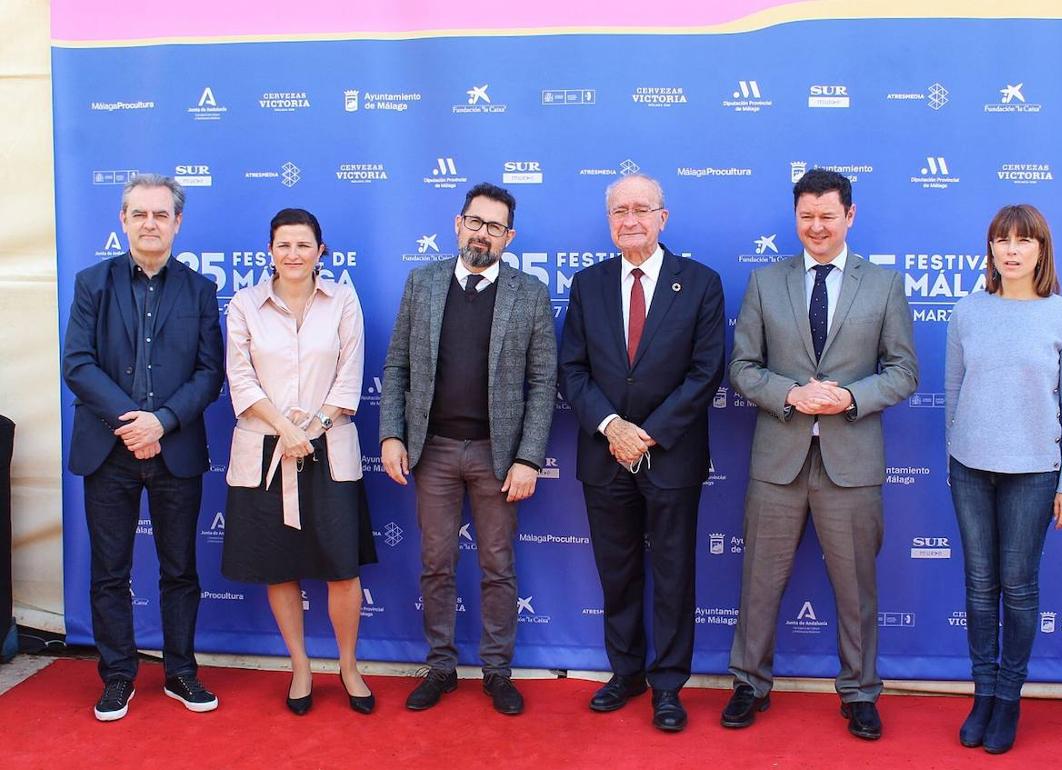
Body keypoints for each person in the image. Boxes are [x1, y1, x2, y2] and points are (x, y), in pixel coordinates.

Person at [724, 169, 917, 739]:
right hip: (778, 461)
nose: (816, 226)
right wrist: (790, 393)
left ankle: (859, 692)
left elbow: (905, 371)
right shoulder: (765, 282)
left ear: (849, 216)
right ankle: (748, 685)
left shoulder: (883, 285)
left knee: (857, 587)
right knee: (759, 581)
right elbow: (741, 368)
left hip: (850, 462)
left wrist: (849, 398)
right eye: (806, 216)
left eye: (827, 216)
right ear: (796, 217)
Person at [380, 183, 556, 716]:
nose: (483, 234)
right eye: (475, 222)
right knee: (436, 563)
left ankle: (498, 672)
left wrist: (528, 457)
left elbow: (544, 381)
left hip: (497, 457)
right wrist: (391, 433)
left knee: (498, 566)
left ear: (509, 237)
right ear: (458, 225)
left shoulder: (529, 294)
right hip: (431, 451)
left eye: (495, 226)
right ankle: (441, 667)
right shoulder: (423, 283)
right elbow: (398, 367)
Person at [558, 174, 726, 733]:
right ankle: (625, 671)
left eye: (640, 209)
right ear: (609, 221)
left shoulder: (700, 283)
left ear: (663, 217)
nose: (629, 220)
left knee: (674, 573)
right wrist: (611, 426)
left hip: (670, 453)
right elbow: (573, 369)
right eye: (618, 211)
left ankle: (669, 684)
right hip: (604, 452)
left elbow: (706, 373)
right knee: (618, 570)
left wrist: (647, 433)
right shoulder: (588, 284)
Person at [62, 174, 225, 721]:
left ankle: (181, 671)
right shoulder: (92, 283)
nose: (150, 223)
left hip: (175, 450)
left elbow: (209, 373)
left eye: (161, 214)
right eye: (140, 214)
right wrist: (132, 423)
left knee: (180, 570)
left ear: (178, 222)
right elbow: (78, 363)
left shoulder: (200, 290)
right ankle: (117, 676)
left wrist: (162, 421)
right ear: (123, 220)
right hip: (107, 451)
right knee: (110, 572)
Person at [944, 204, 1062, 754]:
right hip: (970, 470)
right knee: (979, 587)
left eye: (1023, 240)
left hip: (1034, 473)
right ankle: (982, 693)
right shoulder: (968, 312)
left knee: (1018, 585)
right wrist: (953, 458)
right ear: (990, 249)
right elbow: (953, 397)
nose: (1011, 249)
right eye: (1001, 239)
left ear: (1041, 250)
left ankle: (1008, 697)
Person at [220, 208, 376, 716]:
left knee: (342, 568)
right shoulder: (243, 304)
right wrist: (287, 430)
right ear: (270, 251)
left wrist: (312, 429)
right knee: (279, 567)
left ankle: (349, 665)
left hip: (328, 448)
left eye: (303, 245)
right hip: (267, 446)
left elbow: (350, 376)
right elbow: (240, 379)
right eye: (283, 245)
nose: (293, 254)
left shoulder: (343, 301)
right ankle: (301, 665)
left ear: (320, 252)